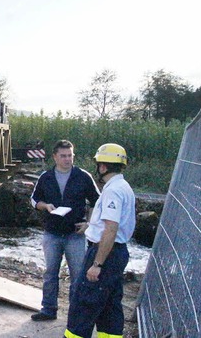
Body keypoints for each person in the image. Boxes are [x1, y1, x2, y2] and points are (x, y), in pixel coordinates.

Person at [63, 143, 136, 338]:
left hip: (105, 253)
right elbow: (111, 224)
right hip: (117, 252)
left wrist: (97, 264)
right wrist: (91, 226)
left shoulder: (112, 191)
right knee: (110, 306)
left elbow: (111, 229)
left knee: (84, 303)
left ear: (103, 167)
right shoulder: (123, 186)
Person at [30, 140, 100, 321]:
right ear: (55, 157)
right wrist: (45, 206)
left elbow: (96, 202)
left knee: (78, 276)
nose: (67, 159)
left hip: (75, 235)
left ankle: (75, 314)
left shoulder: (83, 176)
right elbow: (33, 199)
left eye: (70, 155)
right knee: (50, 273)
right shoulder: (46, 177)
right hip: (52, 233)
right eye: (63, 156)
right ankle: (48, 309)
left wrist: (89, 224)